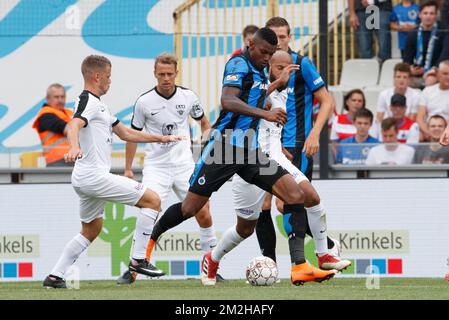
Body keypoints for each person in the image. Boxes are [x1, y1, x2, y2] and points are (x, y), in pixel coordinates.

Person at [144, 28, 337, 287]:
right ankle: (147, 246)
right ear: (250, 44)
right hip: (224, 148)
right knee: (190, 208)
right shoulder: (238, 63)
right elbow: (228, 101)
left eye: (270, 54)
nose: (267, 58)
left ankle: (300, 266)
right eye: (263, 52)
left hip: (250, 151)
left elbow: (255, 98)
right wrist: (264, 113)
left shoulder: (259, 69)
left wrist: (273, 95)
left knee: (295, 195)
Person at [42, 55, 185, 288]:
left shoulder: (98, 105)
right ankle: (138, 260)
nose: (110, 81)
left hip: (84, 179)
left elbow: (126, 134)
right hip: (93, 176)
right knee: (152, 200)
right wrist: (74, 146)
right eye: (108, 76)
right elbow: (74, 124)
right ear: (97, 76)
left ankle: (54, 276)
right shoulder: (88, 101)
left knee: (91, 228)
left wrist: (161, 137)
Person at [221, 51, 351, 280]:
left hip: (275, 157)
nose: (284, 73)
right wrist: (277, 83)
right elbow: (244, 104)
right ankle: (212, 259)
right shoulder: (260, 85)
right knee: (244, 228)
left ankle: (322, 255)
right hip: (252, 159)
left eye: (288, 68)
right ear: (269, 67)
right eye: (278, 68)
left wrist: (279, 147)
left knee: (309, 196)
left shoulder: (286, 93)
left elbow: (271, 127)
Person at [116, 53, 220, 284]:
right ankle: (133, 268)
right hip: (156, 166)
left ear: (176, 73)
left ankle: (211, 268)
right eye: (161, 74)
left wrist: (206, 143)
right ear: (154, 74)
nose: (165, 78)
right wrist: (128, 169)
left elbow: (204, 124)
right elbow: (132, 136)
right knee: (148, 211)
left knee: (203, 212)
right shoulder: (144, 102)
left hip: (184, 165)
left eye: (169, 74)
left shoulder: (189, 97)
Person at [258, 16, 345, 268]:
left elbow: (327, 100)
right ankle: (270, 265)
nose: (278, 41)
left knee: (286, 202)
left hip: (297, 143)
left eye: (282, 36)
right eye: (273, 37)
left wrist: (314, 134)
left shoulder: (302, 63)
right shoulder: (261, 66)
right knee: (264, 205)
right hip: (268, 145)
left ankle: (321, 250)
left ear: (290, 37)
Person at [403, 0, 445, 88]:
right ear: (420, 15)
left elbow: (445, 56)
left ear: (436, 15)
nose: (428, 16)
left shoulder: (443, 32)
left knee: (430, 81)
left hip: (437, 71)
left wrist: (433, 71)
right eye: (425, 13)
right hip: (418, 72)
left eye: (431, 13)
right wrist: (411, 69)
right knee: (402, 81)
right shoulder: (413, 33)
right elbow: (407, 58)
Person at [32, 84, 73, 167]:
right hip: (58, 162)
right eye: (56, 97)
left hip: (73, 158)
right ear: (48, 99)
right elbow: (69, 130)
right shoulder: (46, 116)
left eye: (62, 97)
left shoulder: (69, 113)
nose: (60, 100)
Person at [416, 60, 449, 140]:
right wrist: (428, 132)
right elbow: (420, 117)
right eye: (445, 74)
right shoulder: (428, 91)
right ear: (438, 74)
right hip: (430, 128)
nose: (448, 77)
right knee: (418, 135)